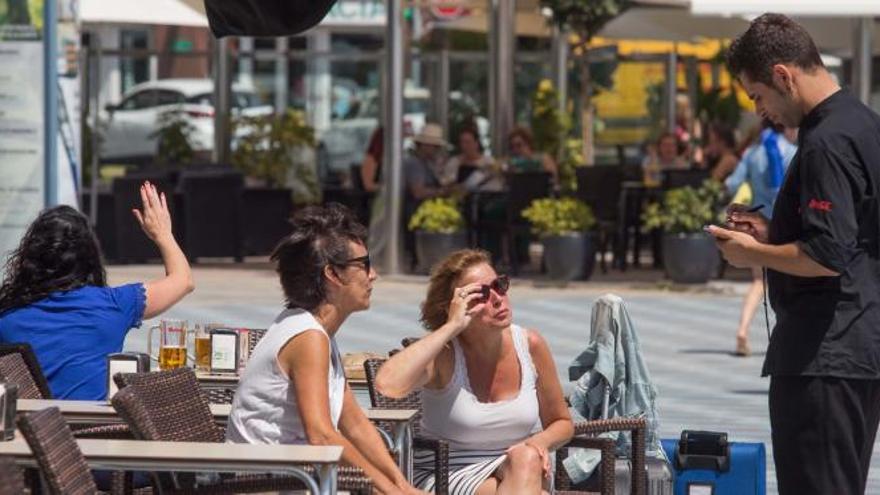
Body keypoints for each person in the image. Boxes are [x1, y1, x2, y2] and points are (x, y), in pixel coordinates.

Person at [709, 14, 880, 495]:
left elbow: (827, 254)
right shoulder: (864, 124)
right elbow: (855, 233)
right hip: (857, 345)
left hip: (823, 351)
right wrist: (772, 230)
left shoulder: (827, 141)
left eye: (758, 96)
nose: (761, 112)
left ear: (784, 75)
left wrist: (753, 253)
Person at [225, 204, 422, 495]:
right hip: (269, 481)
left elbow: (353, 422)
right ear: (333, 274)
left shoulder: (318, 333)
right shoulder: (307, 337)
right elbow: (321, 434)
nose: (374, 275)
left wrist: (402, 484)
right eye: (364, 264)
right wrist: (388, 490)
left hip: (301, 478)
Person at [375, 249, 574, 494]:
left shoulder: (530, 345)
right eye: (481, 295)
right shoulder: (445, 355)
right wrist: (452, 326)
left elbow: (562, 422)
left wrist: (537, 442)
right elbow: (387, 384)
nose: (498, 299)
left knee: (526, 459)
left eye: (499, 285)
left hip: (522, 464)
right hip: (448, 471)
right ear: (455, 307)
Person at [0, 182, 194, 400]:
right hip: (97, 427)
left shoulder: (8, 315)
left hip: (29, 429)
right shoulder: (116, 304)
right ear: (90, 256)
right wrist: (163, 235)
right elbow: (183, 280)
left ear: (30, 258)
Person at [724, 120, 797, 356]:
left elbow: (732, 182)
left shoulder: (753, 153)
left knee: (759, 281)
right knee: (783, 281)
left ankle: (743, 329)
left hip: (755, 224)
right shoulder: (792, 152)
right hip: (785, 226)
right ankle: (781, 336)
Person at [361, 126, 383, 193]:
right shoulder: (370, 159)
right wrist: (385, 188)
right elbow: (368, 186)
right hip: (376, 198)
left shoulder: (386, 159)